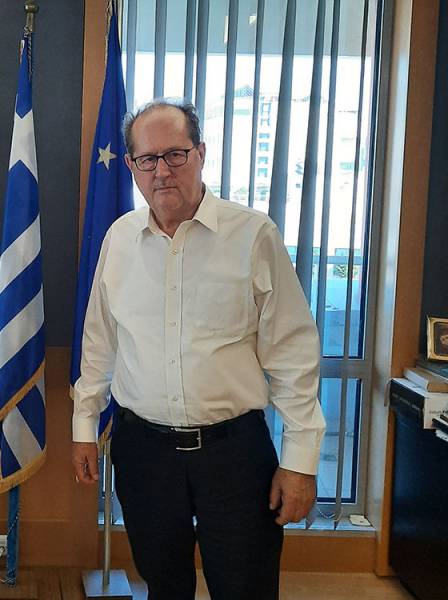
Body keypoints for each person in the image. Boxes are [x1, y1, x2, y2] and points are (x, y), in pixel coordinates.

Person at [71, 98, 325, 600]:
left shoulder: (253, 235)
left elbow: (292, 354)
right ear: (131, 166)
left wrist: (301, 461)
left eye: (176, 154)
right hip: (144, 453)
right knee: (163, 584)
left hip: (234, 454)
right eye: (148, 159)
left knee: (245, 587)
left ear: (201, 153)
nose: (162, 171)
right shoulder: (119, 239)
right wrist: (84, 426)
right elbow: (100, 343)